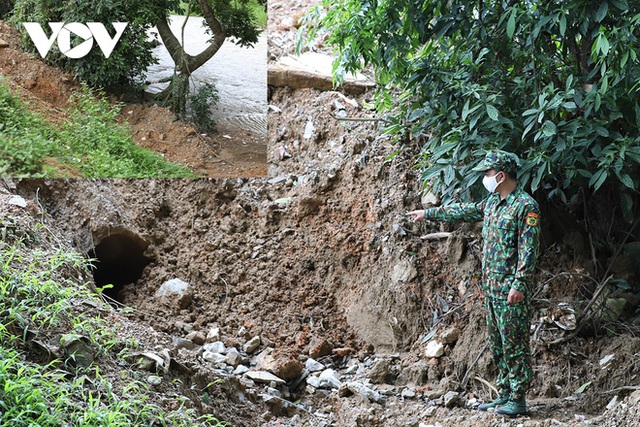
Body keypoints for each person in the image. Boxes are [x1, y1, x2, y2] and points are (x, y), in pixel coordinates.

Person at [406, 150, 541, 416]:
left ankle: (518, 399)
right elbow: (464, 211)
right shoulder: (492, 203)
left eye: (488, 173)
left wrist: (520, 284)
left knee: (514, 343)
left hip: (510, 289)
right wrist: (428, 213)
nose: (485, 178)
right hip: (491, 288)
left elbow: (529, 249)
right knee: (498, 342)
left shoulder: (526, 206)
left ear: (501, 175)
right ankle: (504, 394)